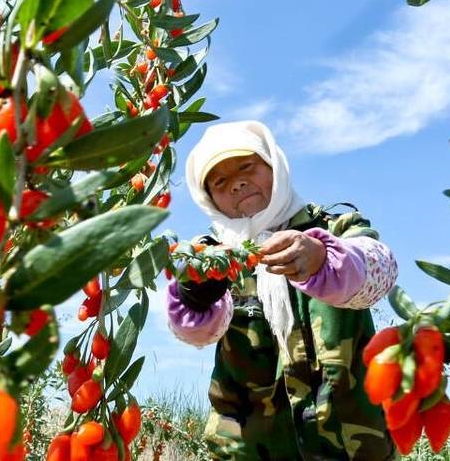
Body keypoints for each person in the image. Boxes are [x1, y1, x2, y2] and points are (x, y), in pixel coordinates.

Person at [166, 121, 398, 461]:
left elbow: (379, 272)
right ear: (209, 198)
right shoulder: (210, 258)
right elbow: (194, 333)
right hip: (248, 449)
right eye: (220, 181)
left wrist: (322, 258)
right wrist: (193, 295)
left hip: (352, 445)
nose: (237, 183)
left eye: (247, 166)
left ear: (274, 165)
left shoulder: (334, 228)